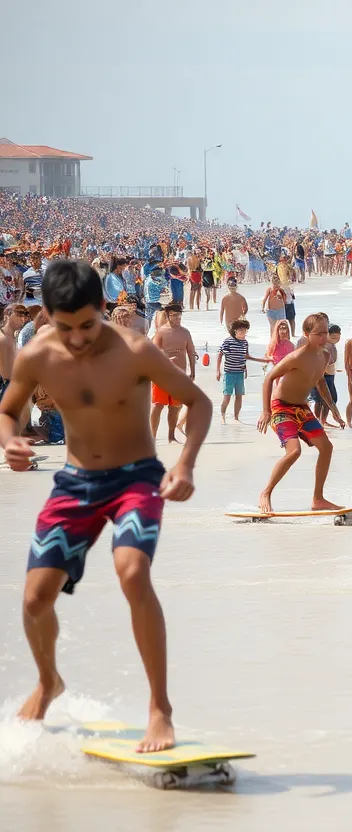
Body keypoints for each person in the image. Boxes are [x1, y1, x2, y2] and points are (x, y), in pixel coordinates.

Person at [0, 258, 212, 753]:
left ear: (102, 309)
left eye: (87, 325)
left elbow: (197, 401)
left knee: (133, 572)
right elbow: (8, 409)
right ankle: (48, 681)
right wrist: (9, 441)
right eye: (64, 326)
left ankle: (160, 707)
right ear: (48, 316)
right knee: (34, 599)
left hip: (136, 477)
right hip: (74, 483)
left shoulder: (136, 351)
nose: (77, 338)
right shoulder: (37, 356)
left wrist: (185, 464)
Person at [256, 313, 345, 513]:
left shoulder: (325, 356)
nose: (324, 338)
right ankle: (266, 492)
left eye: (326, 333)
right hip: (281, 407)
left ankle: (318, 499)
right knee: (294, 451)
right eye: (318, 334)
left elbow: (320, 381)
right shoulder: (297, 356)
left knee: (327, 448)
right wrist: (265, 411)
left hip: (302, 409)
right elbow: (269, 378)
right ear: (306, 334)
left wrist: (334, 409)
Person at [150, 303, 196, 444]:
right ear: (168, 315)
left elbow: (191, 352)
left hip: (180, 375)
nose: (178, 318)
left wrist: (193, 371)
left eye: (179, 315)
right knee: (158, 405)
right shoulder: (161, 332)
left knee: (175, 407)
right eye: (174, 315)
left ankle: (171, 436)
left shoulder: (185, 332)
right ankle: (152, 437)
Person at [216, 319, 268, 423]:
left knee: (239, 396)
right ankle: (222, 416)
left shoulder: (245, 342)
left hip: (240, 373)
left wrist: (249, 366)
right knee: (227, 397)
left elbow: (245, 356)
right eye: (241, 330)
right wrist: (218, 370)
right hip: (229, 373)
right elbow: (220, 354)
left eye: (245, 330)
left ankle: (236, 418)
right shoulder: (228, 341)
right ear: (235, 330)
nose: (243, 332)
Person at [311, 324, 342, 428]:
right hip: (323, 376)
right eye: (332, 337)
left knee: (332, 399)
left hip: (330, 376)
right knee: (320, 400)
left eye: (337, 338)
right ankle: (319, 420)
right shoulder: (325, 346)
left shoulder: (332, 346)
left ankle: (322, 420)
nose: (335, 340)